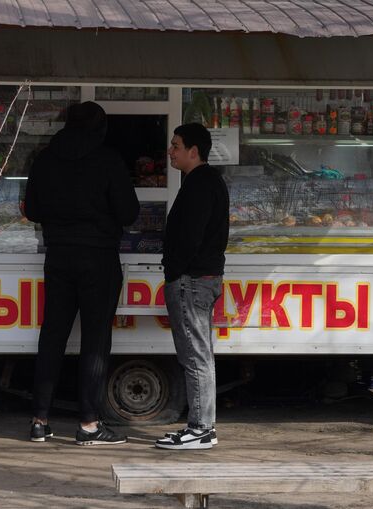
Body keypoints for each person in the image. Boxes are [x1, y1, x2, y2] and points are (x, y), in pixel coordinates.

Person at [23, 101, 139, 445]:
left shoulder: (44, 159)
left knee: (52, 336)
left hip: (58, 256)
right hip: (99, 259)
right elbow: (130, 213)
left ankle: (39, 420)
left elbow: (31, 209)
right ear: (100, 128)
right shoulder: (108, 160)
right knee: (95, 340)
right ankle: (89, 425)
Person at [155, 123, 229, 450]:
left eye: (176, 145)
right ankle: (201, 427)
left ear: (193, 151)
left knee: (195, 355)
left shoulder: (200, 184)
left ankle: (200, 428)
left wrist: (175, 272)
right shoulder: (205, 182)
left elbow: (189, 237)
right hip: (199, 279)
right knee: (199, 354)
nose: (170, 151)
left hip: (192, 280)